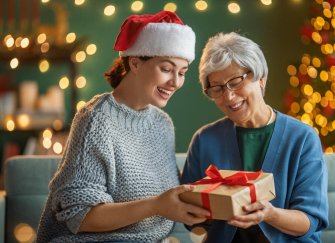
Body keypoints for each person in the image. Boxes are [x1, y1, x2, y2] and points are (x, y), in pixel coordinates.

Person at [37, 11, 209, 243]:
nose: (176, 82)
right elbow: (81, 216)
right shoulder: (96, 119)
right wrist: (157, 205)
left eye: (182, 72)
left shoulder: (162, 123)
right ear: (135, 62)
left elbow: (169, 196)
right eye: (167, 69)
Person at [181, 32, 329, 243]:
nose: (229, 97)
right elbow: (192, 222)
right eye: (217, 88)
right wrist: (201, 212)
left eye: (235, 81)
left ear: (260, 78)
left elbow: (310, 221)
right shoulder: (204, 140)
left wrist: (269, 214)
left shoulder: (303, 138)